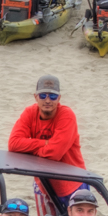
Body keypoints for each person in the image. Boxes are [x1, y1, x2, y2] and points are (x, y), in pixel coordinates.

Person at [8, 74, 85, 203]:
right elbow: (13, 144)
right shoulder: (29, 113)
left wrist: (30, 151)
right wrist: (45, 143)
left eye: (52, 96)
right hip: (43, 184)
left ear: (59, 98)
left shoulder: (67, 115)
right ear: (35, 97)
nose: (47, 100)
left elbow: (53, 154)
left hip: (73, 183)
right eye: (43, 95)